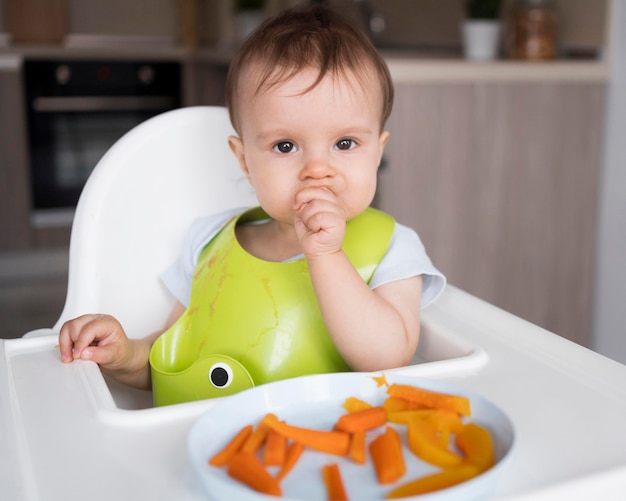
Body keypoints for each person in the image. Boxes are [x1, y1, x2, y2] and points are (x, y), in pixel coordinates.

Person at [58, 5, 445, 404]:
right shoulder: (209, 244)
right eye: (285, 145)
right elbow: (174, 357)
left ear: (376, 153)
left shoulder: (394, 247)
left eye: (345, 144)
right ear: (244, 160)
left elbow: (388, 356)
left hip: (324, 449)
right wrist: (126, 356)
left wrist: (326, 255)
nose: (317, 169)